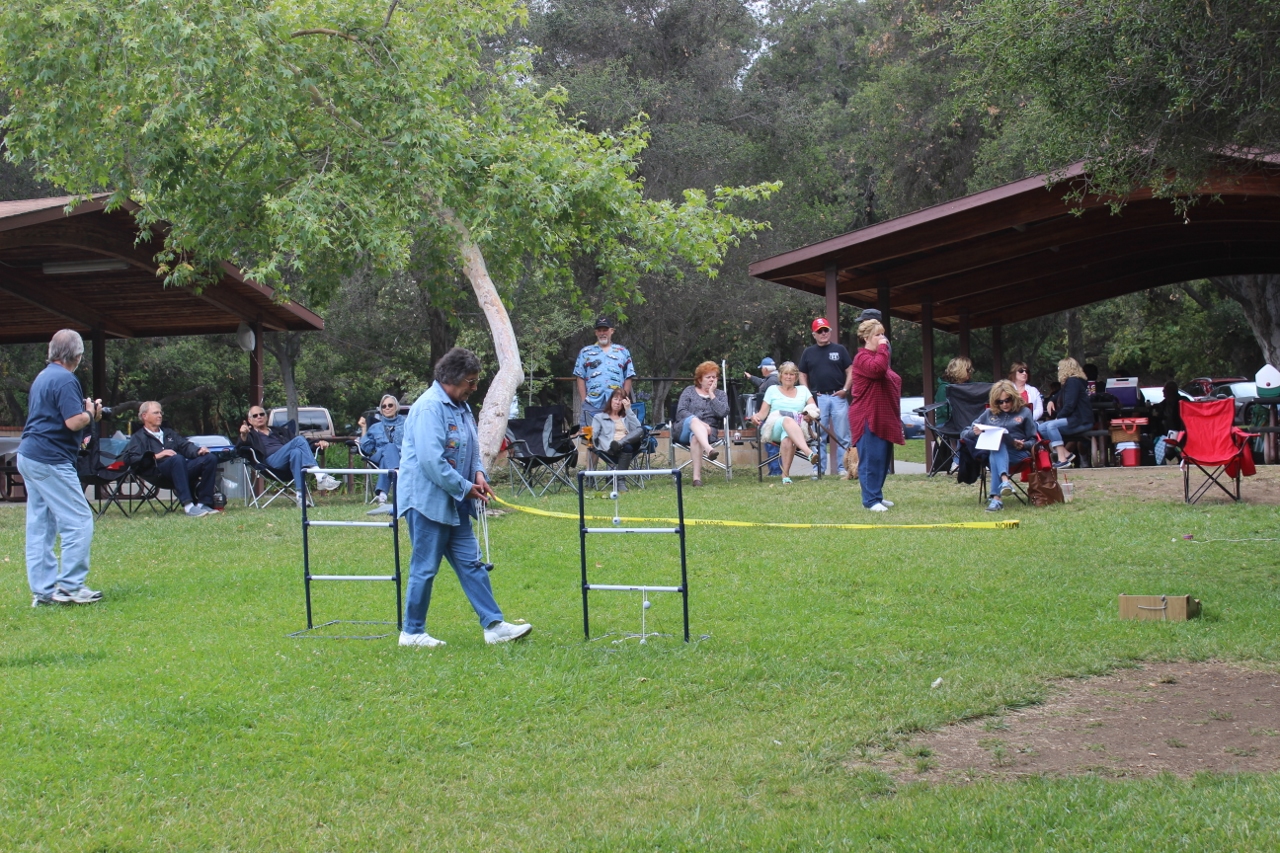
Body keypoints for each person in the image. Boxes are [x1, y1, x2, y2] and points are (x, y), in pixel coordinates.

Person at [397, 347, 531, 647]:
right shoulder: (429, 408)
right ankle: (412, 632)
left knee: (472, 563)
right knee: (425, 567)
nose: (474, 386)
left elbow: (471, 448)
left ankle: (494, 626)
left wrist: (479, 474)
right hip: (426, 502)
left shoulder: (461, 407)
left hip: (455, 501)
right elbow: (432, 461)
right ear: (452, 378)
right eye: (470, 381)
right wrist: (466, 487)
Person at [17, 329, 103, 606]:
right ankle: (70, 586)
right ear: (77, 355)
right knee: (78, 520)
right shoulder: (66, 379)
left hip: (29, 453)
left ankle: (43, 592)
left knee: (41, 525)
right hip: (50, 458)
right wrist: (91, 414)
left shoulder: (43, 377)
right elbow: (72, 422)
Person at [122, 400, 219, 517]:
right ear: (144, 416)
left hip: (179, 470)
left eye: (160, 413)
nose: (160, 415)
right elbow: (131, 459)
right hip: (157, 472)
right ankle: (188, 506)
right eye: (155, 413)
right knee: (176, 459)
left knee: (210, 458)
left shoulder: (169, 433)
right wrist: (157, 455)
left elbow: (185, 446)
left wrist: (198, 451)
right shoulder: (138, 437)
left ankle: (203, 503)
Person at [848, 319, 904, 511]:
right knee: (871, 459)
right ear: (866, 338)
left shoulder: (878, 357)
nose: (883, 339)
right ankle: (870, 500)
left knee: (881, 458)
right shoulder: (862, 359)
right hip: (867, 416)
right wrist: (882, 349)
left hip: (883, 415)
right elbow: (878, 370)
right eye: (878, 335)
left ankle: (876, 495)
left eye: (883, 334)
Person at [237, 405, 341, 502]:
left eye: (261, 414)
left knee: (296, 452)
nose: (259, 417)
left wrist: (317, 444)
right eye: (255, 416)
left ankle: (300, 497)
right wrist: (243, 435)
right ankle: (319, 475)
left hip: (290, 463)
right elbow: (240, 448)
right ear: (250, 420)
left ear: (266, 417)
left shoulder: (280, 431)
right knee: (299, 440)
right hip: (270, 464)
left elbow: (302, 443)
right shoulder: (250, 435)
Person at [970, 380, 1038, 512]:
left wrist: (1023, 445)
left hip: (1018, 453)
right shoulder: (989, 413)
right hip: (996, 452)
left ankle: (997, 497)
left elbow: (1034, 440)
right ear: (995, 402)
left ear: (1013, 397)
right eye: (1000, 402)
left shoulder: (1024, 412)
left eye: (1008, 400)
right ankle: (1003, 485)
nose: (1005, 404)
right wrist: (975, 431)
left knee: (995, 449)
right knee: (997, 442)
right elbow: (965, 432)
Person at [748, 361, 820, 484]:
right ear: (780, 376)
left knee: (788, 438)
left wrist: (809, 415)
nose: (788, 377)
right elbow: (762, 414)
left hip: (797, 430)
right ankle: (808, 452)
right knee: (786, 419)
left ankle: (785, 476)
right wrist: (755, 417)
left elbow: (813, 408)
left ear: (796, 377)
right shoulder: (772, 390)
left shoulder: (803, 390)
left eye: (792, 374)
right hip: (775, 427)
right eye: (786, 374)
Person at [799, 318, 853, 477]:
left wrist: (845, 389)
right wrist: (808, 394)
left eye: (825, 330)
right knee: (818, 436)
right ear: (814, 334)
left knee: (843, 435)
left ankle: (845, 468)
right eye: (819, 331)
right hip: (818, 399)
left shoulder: (840, 349)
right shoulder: (808, 352)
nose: (823, 333)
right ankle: (819, 469)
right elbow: (802, 374)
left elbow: (850, 370)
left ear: (830, 331)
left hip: (838, 396)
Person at [674, 361, 729, 487]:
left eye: (714, 377)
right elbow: (681, 412)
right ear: (699, 380)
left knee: (696, 438)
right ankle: (709, 449)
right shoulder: (689, 391)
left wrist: (711, 394)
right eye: (708, 377)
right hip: (683, 429)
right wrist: (700, 423)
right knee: (693, 420)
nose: (711, 379)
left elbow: (723, 413)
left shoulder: (720, 394)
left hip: (709, 433)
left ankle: (696, 479)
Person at [573, 315, 636, 426]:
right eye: (599, 330)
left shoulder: (623, 351)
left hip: (616, 403)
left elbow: (628, 376)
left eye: (605, 330)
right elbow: (580, 376)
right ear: (596, 332)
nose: (602, 333)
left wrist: (623, 398)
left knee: (617, 435)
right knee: (588, 438)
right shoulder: (585, 352)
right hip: (592, 403)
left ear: (612, 331)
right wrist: (584, 399)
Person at [1040, 357, 1093, 468]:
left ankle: (1062, 459)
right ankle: (1066, 453)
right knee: (1041, 428)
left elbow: (1070, 405)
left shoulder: (1073, 382)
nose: (1058, 370)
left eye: (1059, 368)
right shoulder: (1070, 383)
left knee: (1051, 426)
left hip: (1080, 421)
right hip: (1073, 420)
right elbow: (1058, 395)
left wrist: (1058, 417)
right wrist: (1051, 401)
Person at [358, 395, 405, 506]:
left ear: (396, 407)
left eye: (390, 405)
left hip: (402, 457)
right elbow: (366, 448)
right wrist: (363, 428)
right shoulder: (375, 427)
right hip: (378, 456)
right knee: (389, 447)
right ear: (381, 410)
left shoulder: (406, 424)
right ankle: (397, 475)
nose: (387, 408)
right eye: (384, 406)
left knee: (386, 458)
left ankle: (382, 494)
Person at [591, 388, 646, 478]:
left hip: (628, 444)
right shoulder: (599, 417)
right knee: (627, 448)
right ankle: (620, 480)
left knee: (642, 429)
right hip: (610, 448)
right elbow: (594, 434)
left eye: (620, 400)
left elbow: (637, 429)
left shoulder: (627, 416)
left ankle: (620, 443)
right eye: (615, 399)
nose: (617, 402)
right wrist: (591, 442)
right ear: (611, 400)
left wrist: (628, 409)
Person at [744, 357, 782, 475]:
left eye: (761, 368)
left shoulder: (771, 381)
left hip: (771, 418)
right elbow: (761, 382)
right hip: (774, 417)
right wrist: (751, 377)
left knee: (772, 445)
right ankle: (775, 470)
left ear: (765, 369)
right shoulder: (773, 379)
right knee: (772, 445)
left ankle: (775, 471)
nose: (761, 370)